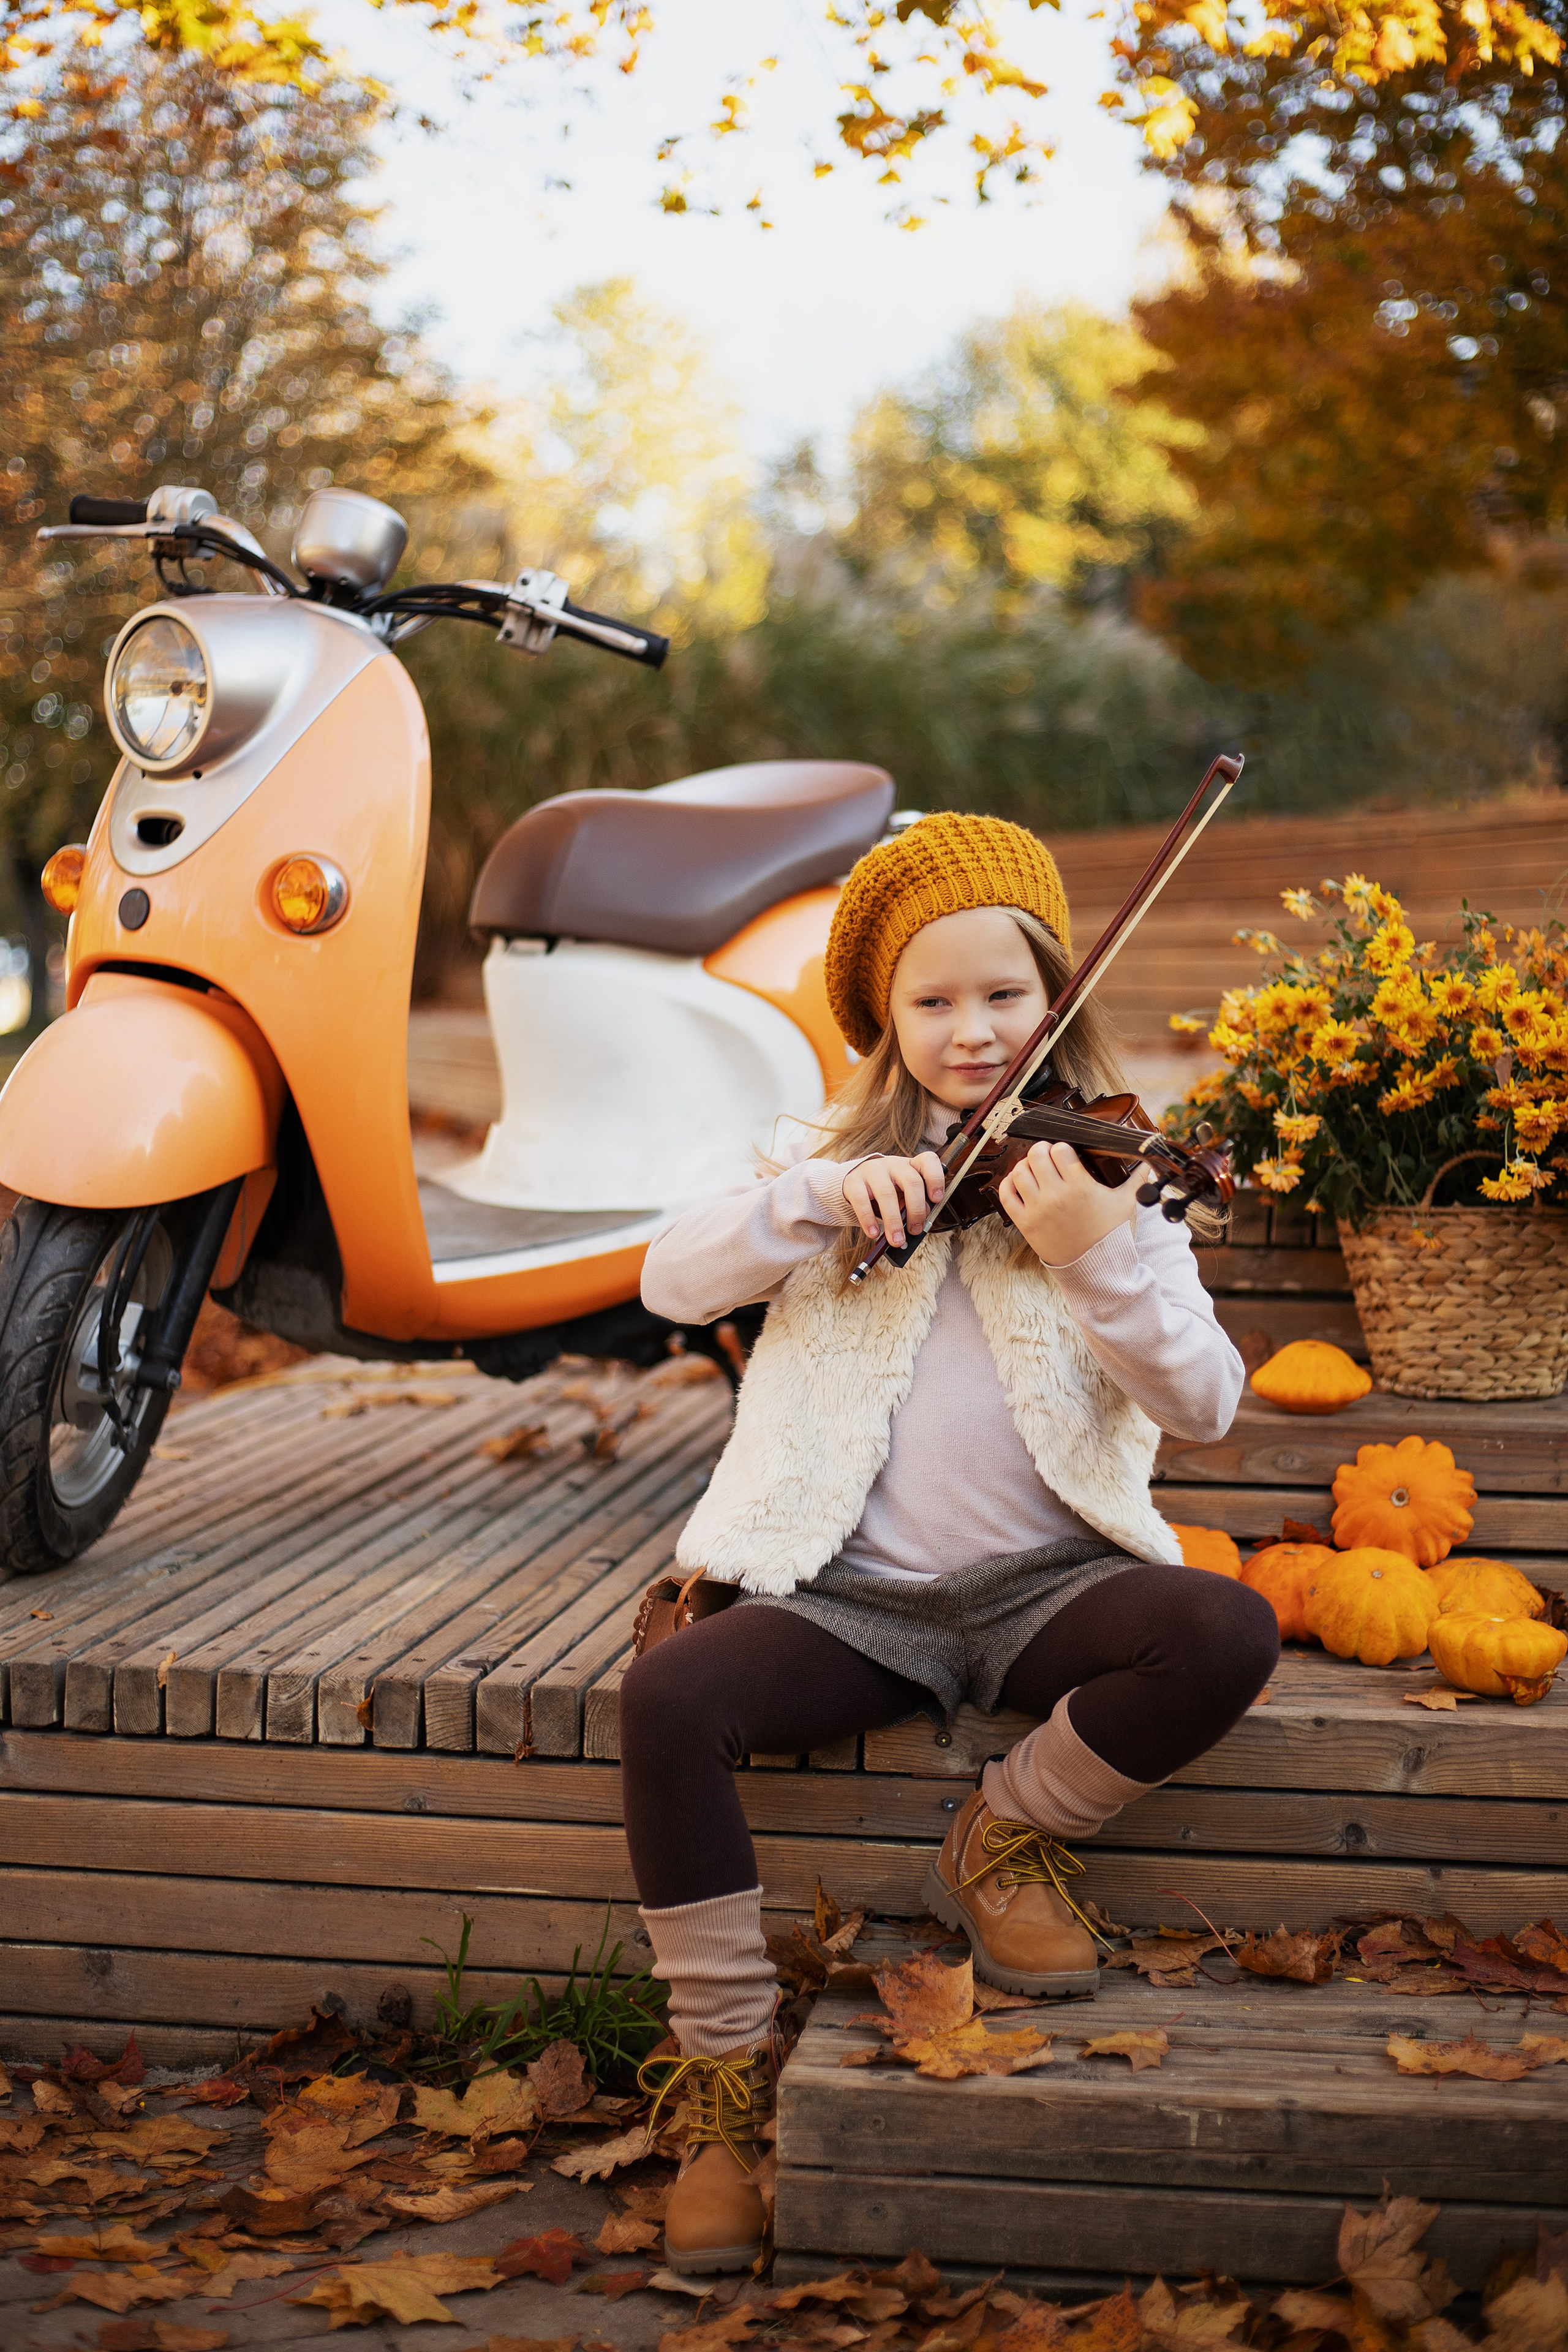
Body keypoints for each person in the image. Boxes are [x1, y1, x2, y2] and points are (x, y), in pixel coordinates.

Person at [620, 812, 1278, 2274]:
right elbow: (667, 1280)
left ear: (1055, 994)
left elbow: (1205, 1403)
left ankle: (1011, 1829)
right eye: (933, 1001)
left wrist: (1096, 1262)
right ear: (882, 1016)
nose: (972, 1032)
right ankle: (722, 2082)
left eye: (1003, 995)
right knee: (667, 1698)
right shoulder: (823, 1158)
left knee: (1224, 1628)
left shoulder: (1105, 1177)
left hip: (1049, 1589)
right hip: (851, 1598)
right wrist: (808, 1201)